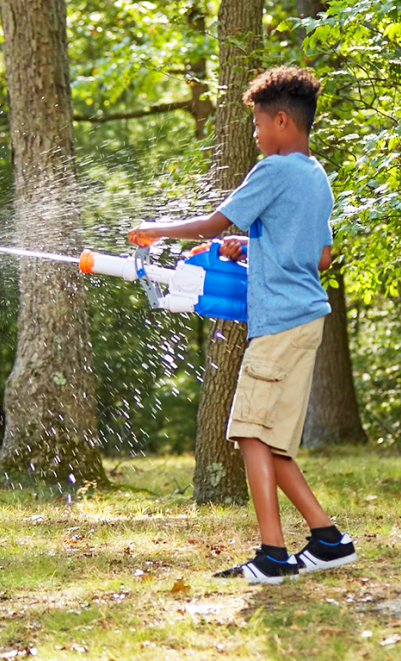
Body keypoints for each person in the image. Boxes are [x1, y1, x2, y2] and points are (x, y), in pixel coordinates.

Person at [130, 66, 357, 584]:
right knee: (272, 442)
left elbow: (214, 224)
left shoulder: (273, 171)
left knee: (249, 434)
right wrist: (254, 246)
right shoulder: (315, 175)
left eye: (257, 123)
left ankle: (272, 556)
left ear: (282, 120)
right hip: (307, 319)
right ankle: (328, 540)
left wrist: (153, 232)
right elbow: (319, 257)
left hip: (277, 324)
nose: (254, 134)